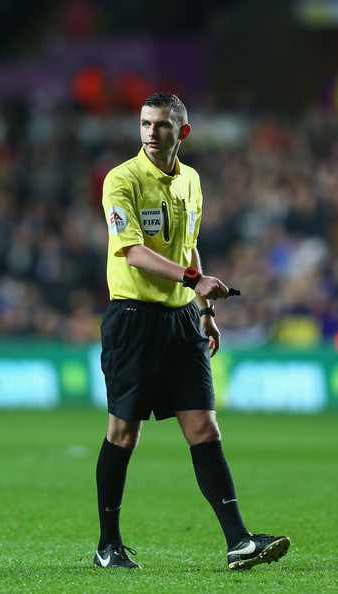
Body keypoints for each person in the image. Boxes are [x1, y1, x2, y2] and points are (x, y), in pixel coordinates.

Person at [94, 91, 290, 571]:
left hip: (182, 318)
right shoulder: (121, 180)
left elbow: (189, 245)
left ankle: (239, 541)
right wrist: (192, 280)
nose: (150, 132)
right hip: (134, 319)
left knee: (203, 426)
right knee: (123, 432)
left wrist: (204, 309)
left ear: (181, 132)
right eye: (144, 123)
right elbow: (133, 251)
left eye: (161, 125)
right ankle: (108, 546)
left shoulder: (192, 182)